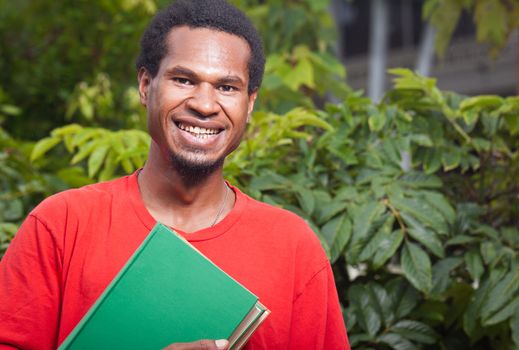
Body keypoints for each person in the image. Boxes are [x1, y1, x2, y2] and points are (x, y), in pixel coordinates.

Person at [0, 1, 350, 349]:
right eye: (183, 80)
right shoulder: (61, 225)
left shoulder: (294, 249)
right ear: (145, 85)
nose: (205, 104)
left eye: (227, 87)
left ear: (250, 102)